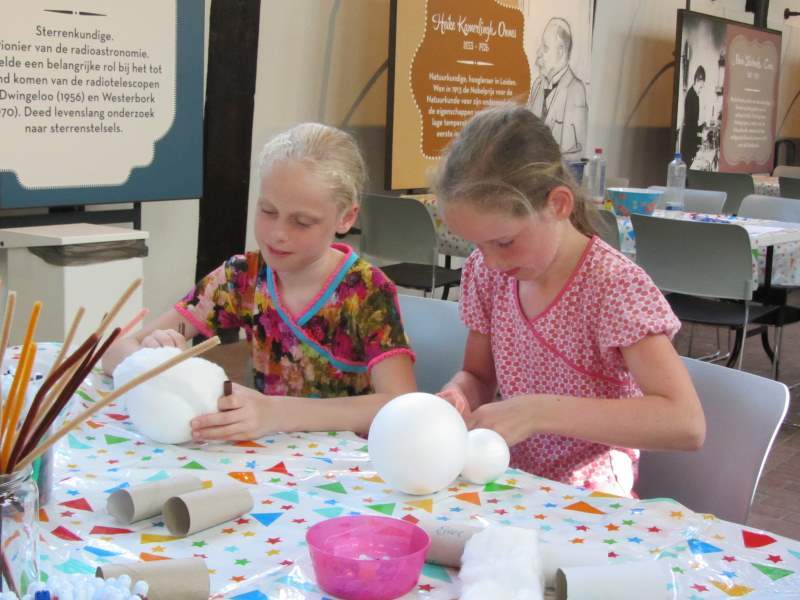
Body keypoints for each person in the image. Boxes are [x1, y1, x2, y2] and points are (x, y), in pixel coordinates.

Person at [434, 104, 705, 497]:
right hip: (510, 480)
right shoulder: (486, 272)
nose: (490, 260)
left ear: (558, 204)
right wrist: (457, 395)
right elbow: (478, 375)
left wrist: (537, 412)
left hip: (590, 500)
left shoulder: (613, 287)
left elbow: (686, 423)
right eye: (477, 244)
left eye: (505, 242)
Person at [102, 123, 416, 440]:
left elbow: (400, 403)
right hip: (267, 459)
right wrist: (153, 359)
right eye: (268, 210)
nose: (278, 233)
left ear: (346, 218)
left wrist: (277, 412)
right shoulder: (243, 277)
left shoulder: (366, 293)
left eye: (302, 222)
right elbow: (113, 352)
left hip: (345, 467)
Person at [527, 17, 588, 161]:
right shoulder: (537, 85)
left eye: (545, 47)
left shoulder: (575, 90)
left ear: (560, 51)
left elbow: (577, 152)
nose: (539, 54)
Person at [680, 65, 705, 169]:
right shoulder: (691, 96)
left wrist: (701, 127)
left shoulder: (694, 95)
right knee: (688, 166)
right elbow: (691, 123)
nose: (701, 89)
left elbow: (694, 121)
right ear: (696, 80)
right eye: (700, 87)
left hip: (690, 139)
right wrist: (699, 132)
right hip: (688, 141)